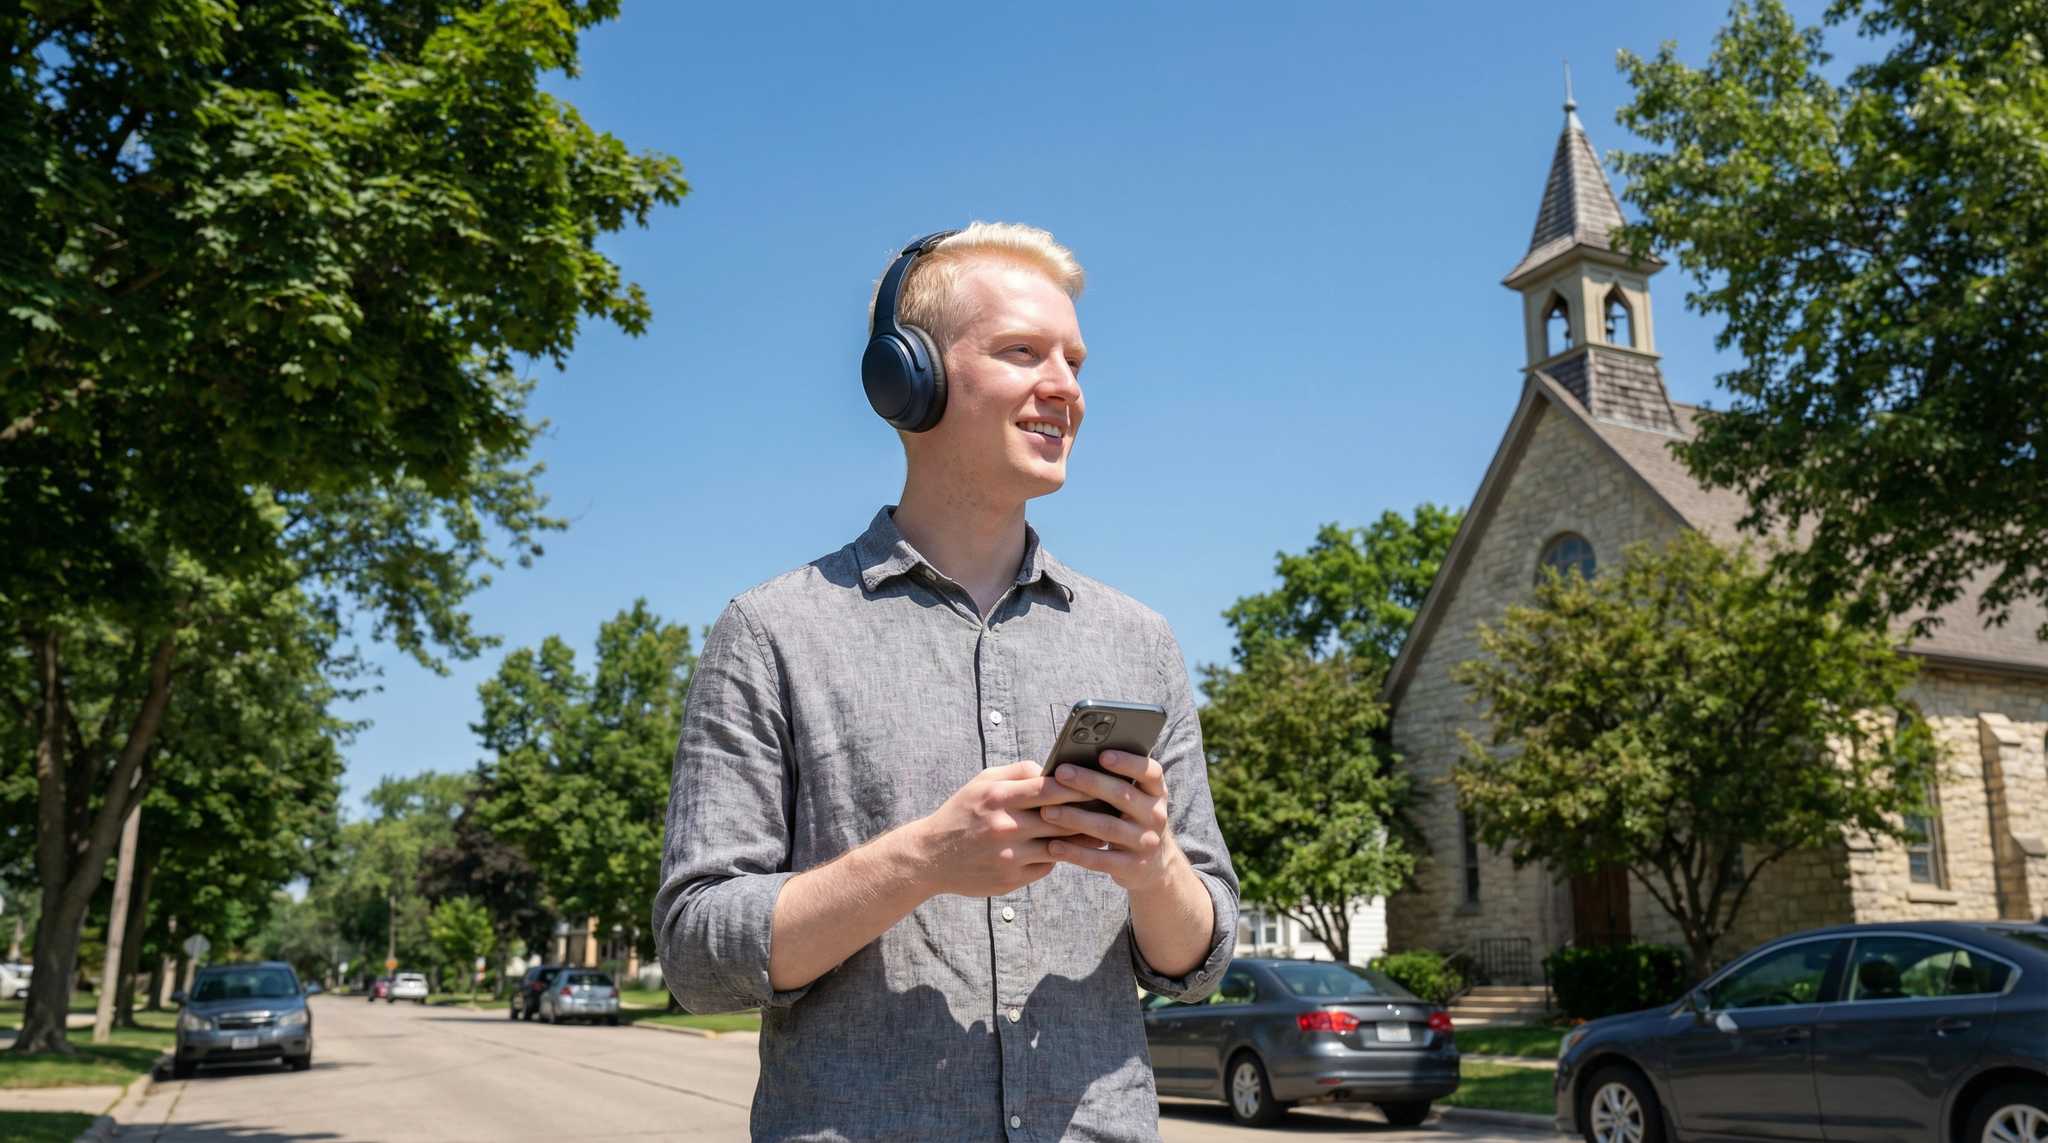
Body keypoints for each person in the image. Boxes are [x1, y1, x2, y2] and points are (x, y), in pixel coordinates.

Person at [655, 222, 1238, 1141]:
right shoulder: (771, 631)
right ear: (909, 379)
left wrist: (1154, 866)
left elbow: (1199, 959)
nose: (1067, 389)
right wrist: (924, 860)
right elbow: (698, 955)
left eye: (1075, 360)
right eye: (1022, 352)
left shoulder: (1141, 641)